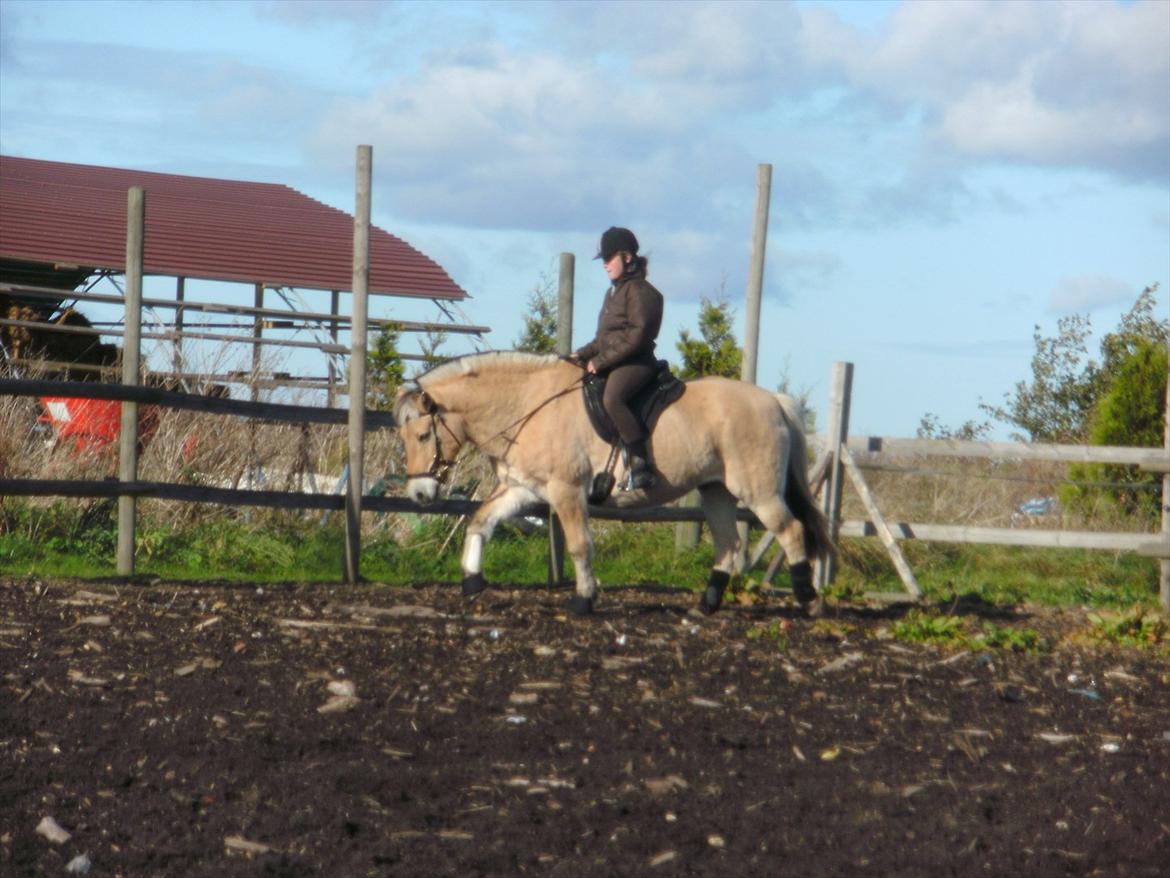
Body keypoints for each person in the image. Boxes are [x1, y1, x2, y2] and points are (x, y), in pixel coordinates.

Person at [571, 226, 664, 490]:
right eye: (603, 259)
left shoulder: (640, 291)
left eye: (609, 258)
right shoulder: (613, 293)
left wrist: (599, 362)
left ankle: (641, 464)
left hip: (637, 362)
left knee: (613, 398)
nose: (604, 265)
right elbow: (603, 339)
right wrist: (580, 354)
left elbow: (637, 336)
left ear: (627, 257)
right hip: (616, 359)